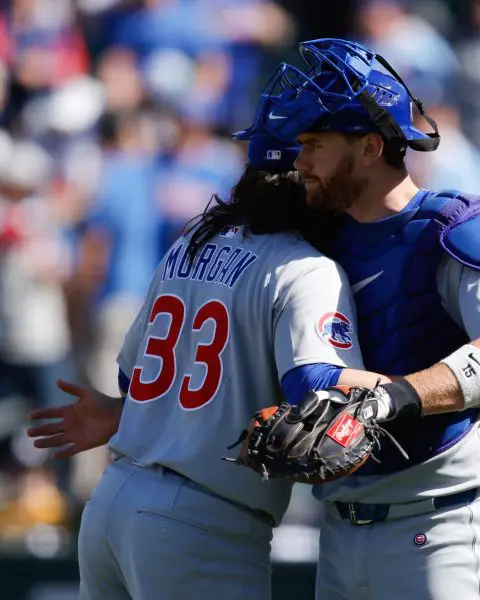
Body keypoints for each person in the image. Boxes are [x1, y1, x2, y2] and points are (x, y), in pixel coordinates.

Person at [27, 130, 386, 600]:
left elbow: (131, 378)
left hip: (113, 503)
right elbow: (315, 384)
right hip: (201, 522)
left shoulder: (194, 241)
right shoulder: (305, 267)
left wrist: (125, 414)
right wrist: (412, 387)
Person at [248, 38, 480, 600]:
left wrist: (399, 396)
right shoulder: (313, 240)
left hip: (439, 528)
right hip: (338, 528)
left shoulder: (448, 228)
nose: (299, 160)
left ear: (372, 147)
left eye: (315, 144)